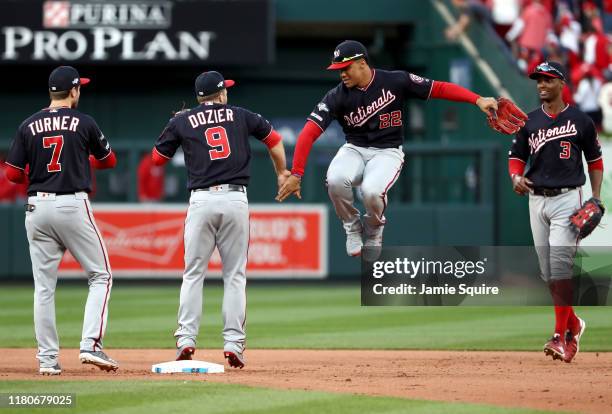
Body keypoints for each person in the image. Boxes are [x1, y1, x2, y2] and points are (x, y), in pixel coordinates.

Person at [276, 40, 498, 256]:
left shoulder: (395, 81)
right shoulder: (337, 96)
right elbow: (309, 132)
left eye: (346, 67)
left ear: (362, 63)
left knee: (371, 192)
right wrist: (297, 172)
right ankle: (352, 226)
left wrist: (476, 99)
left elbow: (438, 88)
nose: (341, 73)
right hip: (354, 148)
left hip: (387, 151)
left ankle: (374, 230)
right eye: (338, 69)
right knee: (335, 180)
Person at [151, 71, 289, 369]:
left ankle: (186, 338)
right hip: (235, 197)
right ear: (222, 94)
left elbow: (157, 159)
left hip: (201, 200)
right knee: (235, 275)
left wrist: (176, 123)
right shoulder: (241, 115)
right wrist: (281, 172)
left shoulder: (183, 120)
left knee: (193, 273)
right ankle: (233, 344)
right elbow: (275, 140)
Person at [4, 65, 119, 375]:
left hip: (37, 208)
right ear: (73, 91)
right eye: (79, 87)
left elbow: (12, 174)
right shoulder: (84, 122)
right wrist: (80, 158)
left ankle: (47, 361)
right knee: (101, 276)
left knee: (43, 289)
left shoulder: (28, 125)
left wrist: (40, 173)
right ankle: (90, 345)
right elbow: (109, 160)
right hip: (71, 205)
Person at [508, 61, 604, 363]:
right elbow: (516, 157)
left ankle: (561, 337)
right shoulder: (529, 121)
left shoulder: (580, 121)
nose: (541, 85)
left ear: (562, 84)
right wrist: (515, 178)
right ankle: (574, 324)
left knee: (560, 267)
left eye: (548, 80)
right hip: (536, 199)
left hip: (567, 198)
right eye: (538, 80)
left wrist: (597, 197)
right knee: (548, 274)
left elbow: (596, 162)